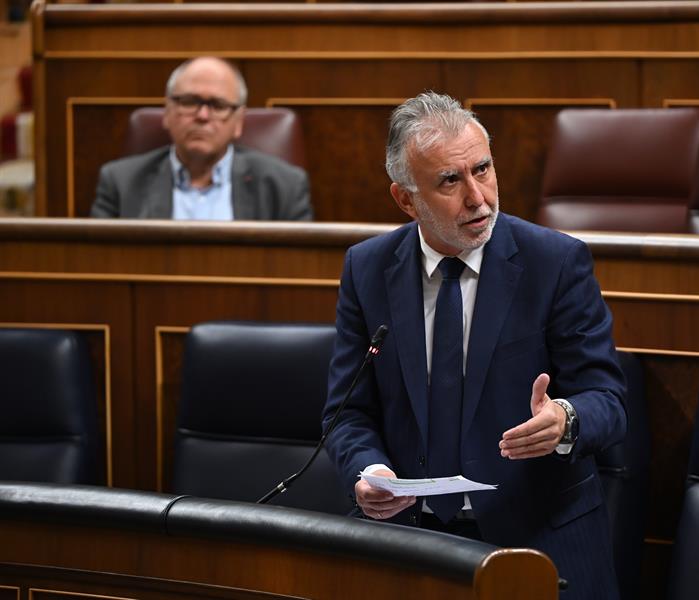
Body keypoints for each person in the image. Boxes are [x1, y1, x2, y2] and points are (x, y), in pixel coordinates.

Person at [322, 92, 626, 600]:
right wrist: (369, 471)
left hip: (538, 541)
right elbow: (347, 412)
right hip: (409, 545)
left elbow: (609, 401)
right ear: (405, 199)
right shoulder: (367, 269)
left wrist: (566, 420)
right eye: (450, 181)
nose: (478, 198)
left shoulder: (555, 263)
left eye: (482, 170)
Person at [90, 57, 312, 220]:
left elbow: (297, 272)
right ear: (167, 112)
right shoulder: (120, 183)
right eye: (189, 101)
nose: (203, 116)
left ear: (239, 122)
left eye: (218, 106)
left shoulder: (284, 187)